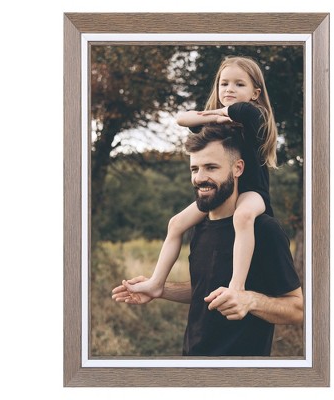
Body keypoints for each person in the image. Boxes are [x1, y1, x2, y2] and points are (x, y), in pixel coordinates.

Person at [112, 124, 303, 357]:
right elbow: (206, 289)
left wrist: (250, 300)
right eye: (194, 169)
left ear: (238, 168)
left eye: (211, 167)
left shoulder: (264, 229)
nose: (200, 178)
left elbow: (297, 309)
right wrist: (160, 290)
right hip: (192, 362)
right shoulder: (199, 227)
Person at [128, 56, 278, 297]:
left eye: (239, 84)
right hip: (224, 190)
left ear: (255, 93)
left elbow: (236, 111)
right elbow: (182, 118)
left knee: (242, 216)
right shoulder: (220, 122)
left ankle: (236, 287)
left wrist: (214, 113)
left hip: (252, 190)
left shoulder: (253, 114)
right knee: (176, 223)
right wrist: (215, 117)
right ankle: (156, 282)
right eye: (224, 83)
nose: (229, 89)